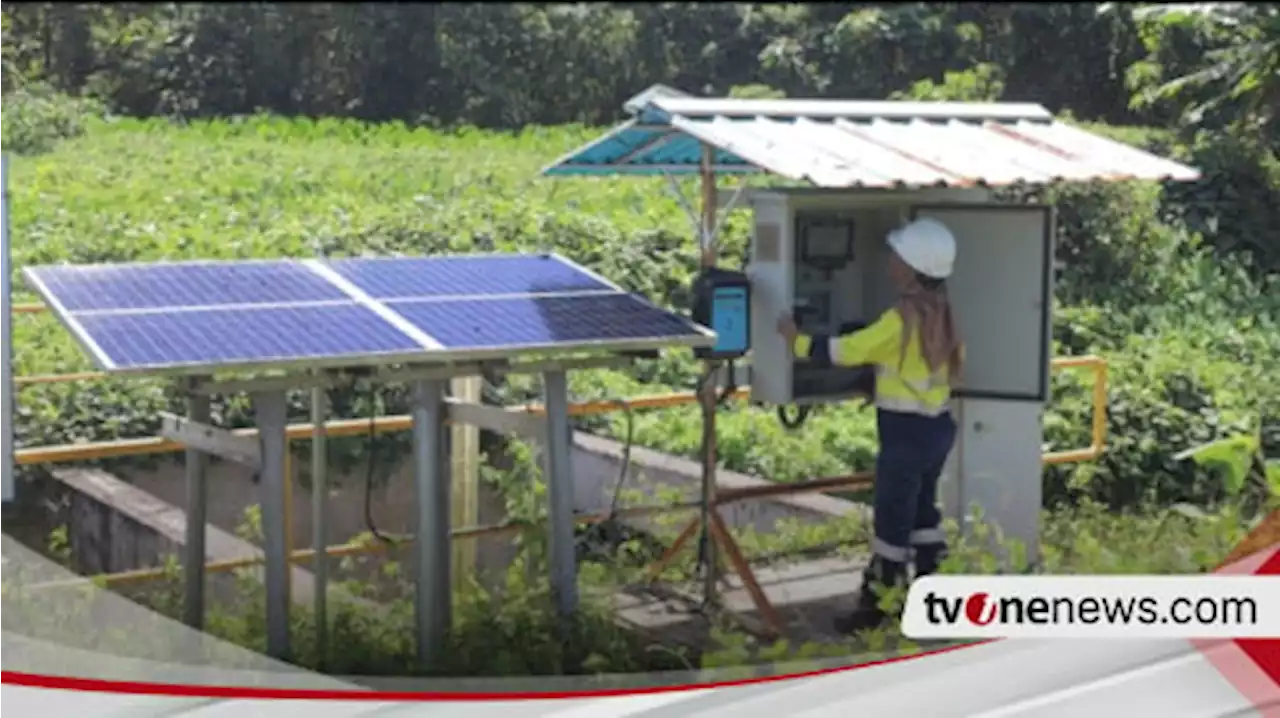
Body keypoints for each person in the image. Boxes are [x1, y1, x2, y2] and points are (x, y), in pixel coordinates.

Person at [777, 217, 963, 633]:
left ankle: (877, 606)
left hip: (905, 435)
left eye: (897, 257)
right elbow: (916, 366)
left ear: (913, 268)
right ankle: (933, 593)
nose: (889, 263)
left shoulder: (901, 319)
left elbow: (848, 349)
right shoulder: (942, 312)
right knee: (922, 514)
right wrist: (877, 381)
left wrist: (796, 339)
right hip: (937, 429)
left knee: (891, 523)